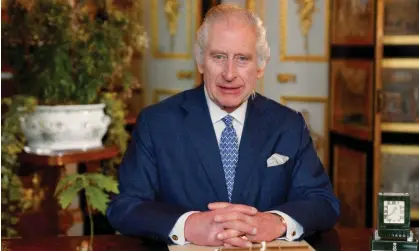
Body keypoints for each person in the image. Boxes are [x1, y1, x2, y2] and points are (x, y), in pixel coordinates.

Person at [106, 4, 339, 248]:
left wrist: (275, 221)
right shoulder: (156, 123)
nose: (229, 74)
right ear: (200, 62)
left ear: (260, 66)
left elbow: (323, 202)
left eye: (242, 59)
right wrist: (189, 225)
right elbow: (124, 206)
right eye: (218, 57)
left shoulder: (289, 124)